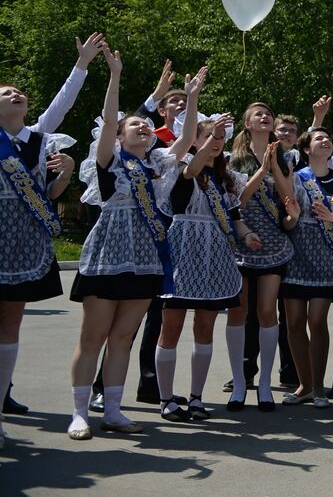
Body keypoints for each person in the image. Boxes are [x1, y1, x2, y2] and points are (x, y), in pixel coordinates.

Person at [68, 46, 192, 440]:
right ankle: (79, 412)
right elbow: (108, 120)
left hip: (145, 258)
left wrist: (192, 97)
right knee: (94, 337)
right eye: (134, 125)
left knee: (123, 336)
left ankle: (116, 410)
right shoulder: (110, 160)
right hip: (108, 255)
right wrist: (115, 75)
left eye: (145, 125)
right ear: (120, 136)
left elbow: (188, 138)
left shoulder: (156, 164)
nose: (142, 127)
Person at [0, 32, 101, 448]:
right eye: (7, 92)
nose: (16, 93)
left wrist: (81, 66)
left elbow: (53, 194)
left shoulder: (40, 140)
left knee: (11, 321)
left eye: (19, 91)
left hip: (24, 244)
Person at [154, 111, 258, 423]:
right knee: (170, 327)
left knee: (205, 327)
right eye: (210, 136)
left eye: (221, 137)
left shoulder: (225, 179)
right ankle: (166, 399)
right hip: (183, 250)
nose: (216, 142)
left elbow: (234, 218)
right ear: (196, 140)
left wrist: (248, 235)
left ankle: (197, 398)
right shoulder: (183, 168)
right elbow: (193, 166)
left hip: (215, 254)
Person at [227, 102, 297, 412]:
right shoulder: (233, 159)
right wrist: (263, 170)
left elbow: (288, 199)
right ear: (247, 124)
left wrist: (275, 167)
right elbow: (237, 199)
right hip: (241, 241)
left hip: (273, 243)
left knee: (268, 311)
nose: (265, 116)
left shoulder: (285, 157)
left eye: (268, 113)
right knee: (238, 311)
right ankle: (240, 382)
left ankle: (266, 383)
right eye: (258, 114)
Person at [281, 125, 333, 408]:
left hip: (328, 257)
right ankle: (304, 385)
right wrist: (294, 217)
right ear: (306, 149)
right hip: (298, 254)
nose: (325, 141)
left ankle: (320, 387)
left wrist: (331, 217)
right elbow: (285, 222)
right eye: (318, 138)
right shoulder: (296, 178)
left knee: (317, 320)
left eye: (328, 138)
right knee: (294, 322)